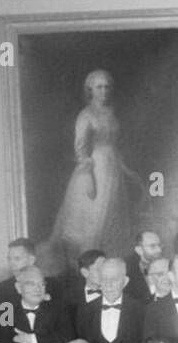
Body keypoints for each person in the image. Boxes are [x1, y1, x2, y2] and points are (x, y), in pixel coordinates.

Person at [42, 70, 145, 272]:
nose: (104, 91)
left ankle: (111, 269)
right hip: (94, 170)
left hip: (112, 169)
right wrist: (89, 176)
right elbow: (80, 149)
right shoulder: (86, 115)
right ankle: (88, 269)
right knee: (93, 221)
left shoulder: (111, 112)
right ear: (90, 89)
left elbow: (113, 147)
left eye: (107, 86)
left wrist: (127, 171)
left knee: (112, 219)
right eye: (99, 87)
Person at [0, 238, 64, 310]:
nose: (12, 263)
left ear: (31, 260)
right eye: (9, 259)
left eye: (17, 259)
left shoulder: (54, 286)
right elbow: (2, 321)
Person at [124, 230, 163, 303]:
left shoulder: (169, 268)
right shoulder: (128, 273)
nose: (159, 250)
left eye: (159, 245)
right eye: (153, 246)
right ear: (139, 250)